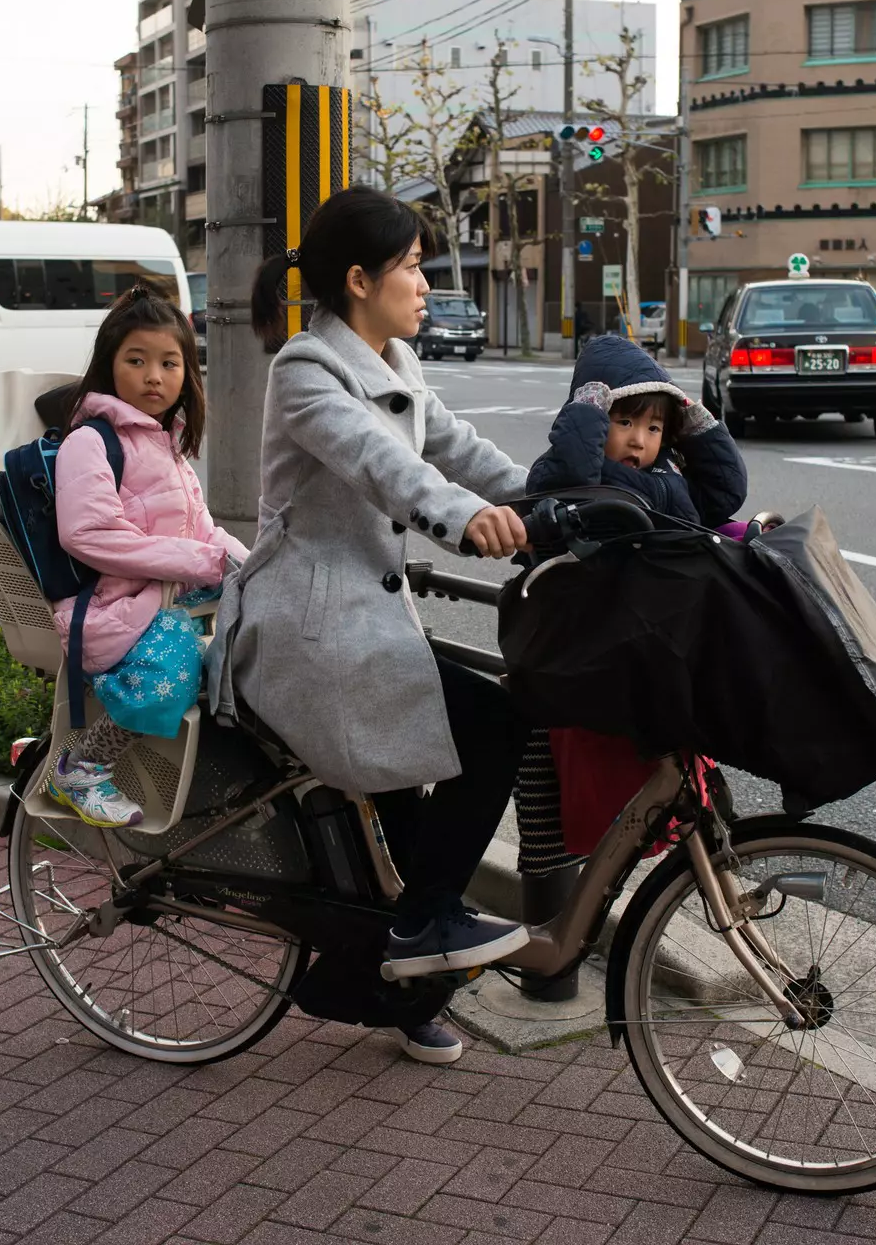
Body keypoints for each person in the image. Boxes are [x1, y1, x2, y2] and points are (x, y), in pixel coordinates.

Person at [211, 187, 530, 1066]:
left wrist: (554, 499)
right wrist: (465, 520)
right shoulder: (306, 369)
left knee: (410, 807)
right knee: (496, 726)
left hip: (367, 623)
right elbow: (383, 463)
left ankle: (393, 978)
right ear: (359, 278)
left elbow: (455, 446)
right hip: (308, 631)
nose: (427, 282)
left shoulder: (393, 357)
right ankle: (417, 938)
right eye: (413, 266)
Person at [38, 282, 246, 828]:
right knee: (177, 662)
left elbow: (202, 529)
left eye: (170, 363)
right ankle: (81, 766)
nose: (155, 376)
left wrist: (253, 564)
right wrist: (201, 563)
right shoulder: (92, 441)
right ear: (110, 366)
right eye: (137, 360)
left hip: (156, 598)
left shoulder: (166, 444)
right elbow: (90, 535)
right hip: (108, 610)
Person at [527, 333, 748, 527]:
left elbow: (724, 494)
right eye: (625, 423)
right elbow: (566, 479)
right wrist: (585, 413)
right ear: (597, 417)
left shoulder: (670, 467)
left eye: (653, 428)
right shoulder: (572, 469)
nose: (639, 441)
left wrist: (699, 428)